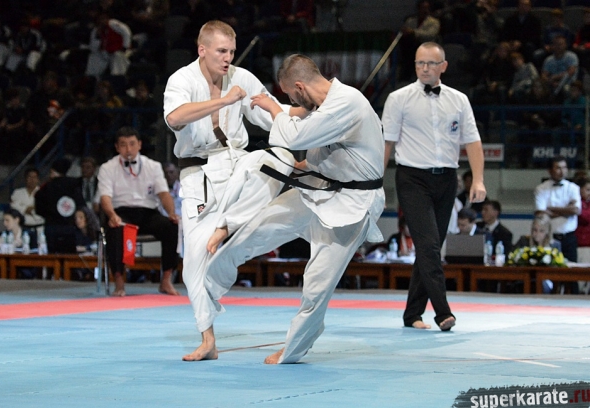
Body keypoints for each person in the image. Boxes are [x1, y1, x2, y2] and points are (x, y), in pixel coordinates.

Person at [201, 54, 385, 364]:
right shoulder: (324, 102)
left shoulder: (347, 102)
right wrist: (273, 107)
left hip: (352, 205)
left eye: (290, 94)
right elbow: (299, 116)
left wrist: (274, 109)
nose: (291, 101)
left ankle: (294, 349)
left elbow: (296, 134)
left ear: (300, 86)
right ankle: (210, 287)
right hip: (320, 187)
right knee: (260, 226)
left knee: (317, 284)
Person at [163, 20, 305, 361]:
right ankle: (208, 340)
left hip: (237, 165)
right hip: (199, 175)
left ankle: (230, 225)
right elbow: (175, 117)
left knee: (280, 157)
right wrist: (225, 101)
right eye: (221, 51)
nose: (228, 58)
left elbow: (276, 113)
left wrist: (319, 111)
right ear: (202, 50)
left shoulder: (242, 78)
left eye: (231, 51)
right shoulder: (182, 80)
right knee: (194, 261)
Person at [382, 41, 487, 331]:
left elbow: (473, 141)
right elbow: (386, 143)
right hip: (412, 178)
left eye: (430, 63)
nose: (424, 68)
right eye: (420, 63)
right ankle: (443, 312)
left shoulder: (459, 100)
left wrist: (478, 179)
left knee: (431, 247)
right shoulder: (399, 98)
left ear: (443, 66)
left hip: (447, 179)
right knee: (428, 246)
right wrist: (376, 184)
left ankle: (412, 314)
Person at [97, 126, 179, 297]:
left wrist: (171, 212)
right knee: (115, 227)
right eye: (123, 145)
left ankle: (166, 280)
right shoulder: (107, 167)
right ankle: (119, 281)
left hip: (148, 213)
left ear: (140, 145)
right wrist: (112, 215)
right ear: (117, 147)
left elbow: (164, 194)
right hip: (120, 212)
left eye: (132, 144)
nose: (128, 149)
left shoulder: (153, 166)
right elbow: (105, 197)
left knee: (171, 226)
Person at [534, 156, 581, 266]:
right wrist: (567, 209)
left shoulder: (573, 188)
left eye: (564, 167)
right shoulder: (541, 189)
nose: (562, 171)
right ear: (550, 170)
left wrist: (550, 209)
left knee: (571, 271)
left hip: (569, 238)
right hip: (549, 237)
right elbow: (541, 214)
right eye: (558, 168)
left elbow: (576, 210)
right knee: (549, 272)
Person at [34, 158, 86, 254]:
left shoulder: (47, 187)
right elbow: (81, 205)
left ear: (52, 171)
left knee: (52, 258)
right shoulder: (75, 185)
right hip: (71, 227)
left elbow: (39, 208)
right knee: (70, 257)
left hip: (52, 227)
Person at [85, 12, 132, 78]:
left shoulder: (114, 24)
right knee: (93, 57)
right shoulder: (95, 31)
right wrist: (98, 37)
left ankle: (117, 77)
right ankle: (92, 78)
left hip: (120, 51)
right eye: (100, 20)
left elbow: (126, 32)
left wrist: (125, 46)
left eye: (104, 19)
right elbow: (93, 48)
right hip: (105, 53)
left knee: (117, 56)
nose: (102, 21)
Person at [540, 34, 579, 98]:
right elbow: (543, 76)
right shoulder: (548, 60)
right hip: (552, 85)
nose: (558, 46)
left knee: (566, 89)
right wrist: (551, 82)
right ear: (552, 46)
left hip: (568, 84)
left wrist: (555, 77)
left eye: (560, 44)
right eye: (556, 44)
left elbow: (571, 72)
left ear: (565, 45)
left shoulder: (571, 56)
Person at [575, 177, 590, 294]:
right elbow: (585, 217)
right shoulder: (576, 203)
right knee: (581, 277)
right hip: (581, 245)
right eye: (588, 189)